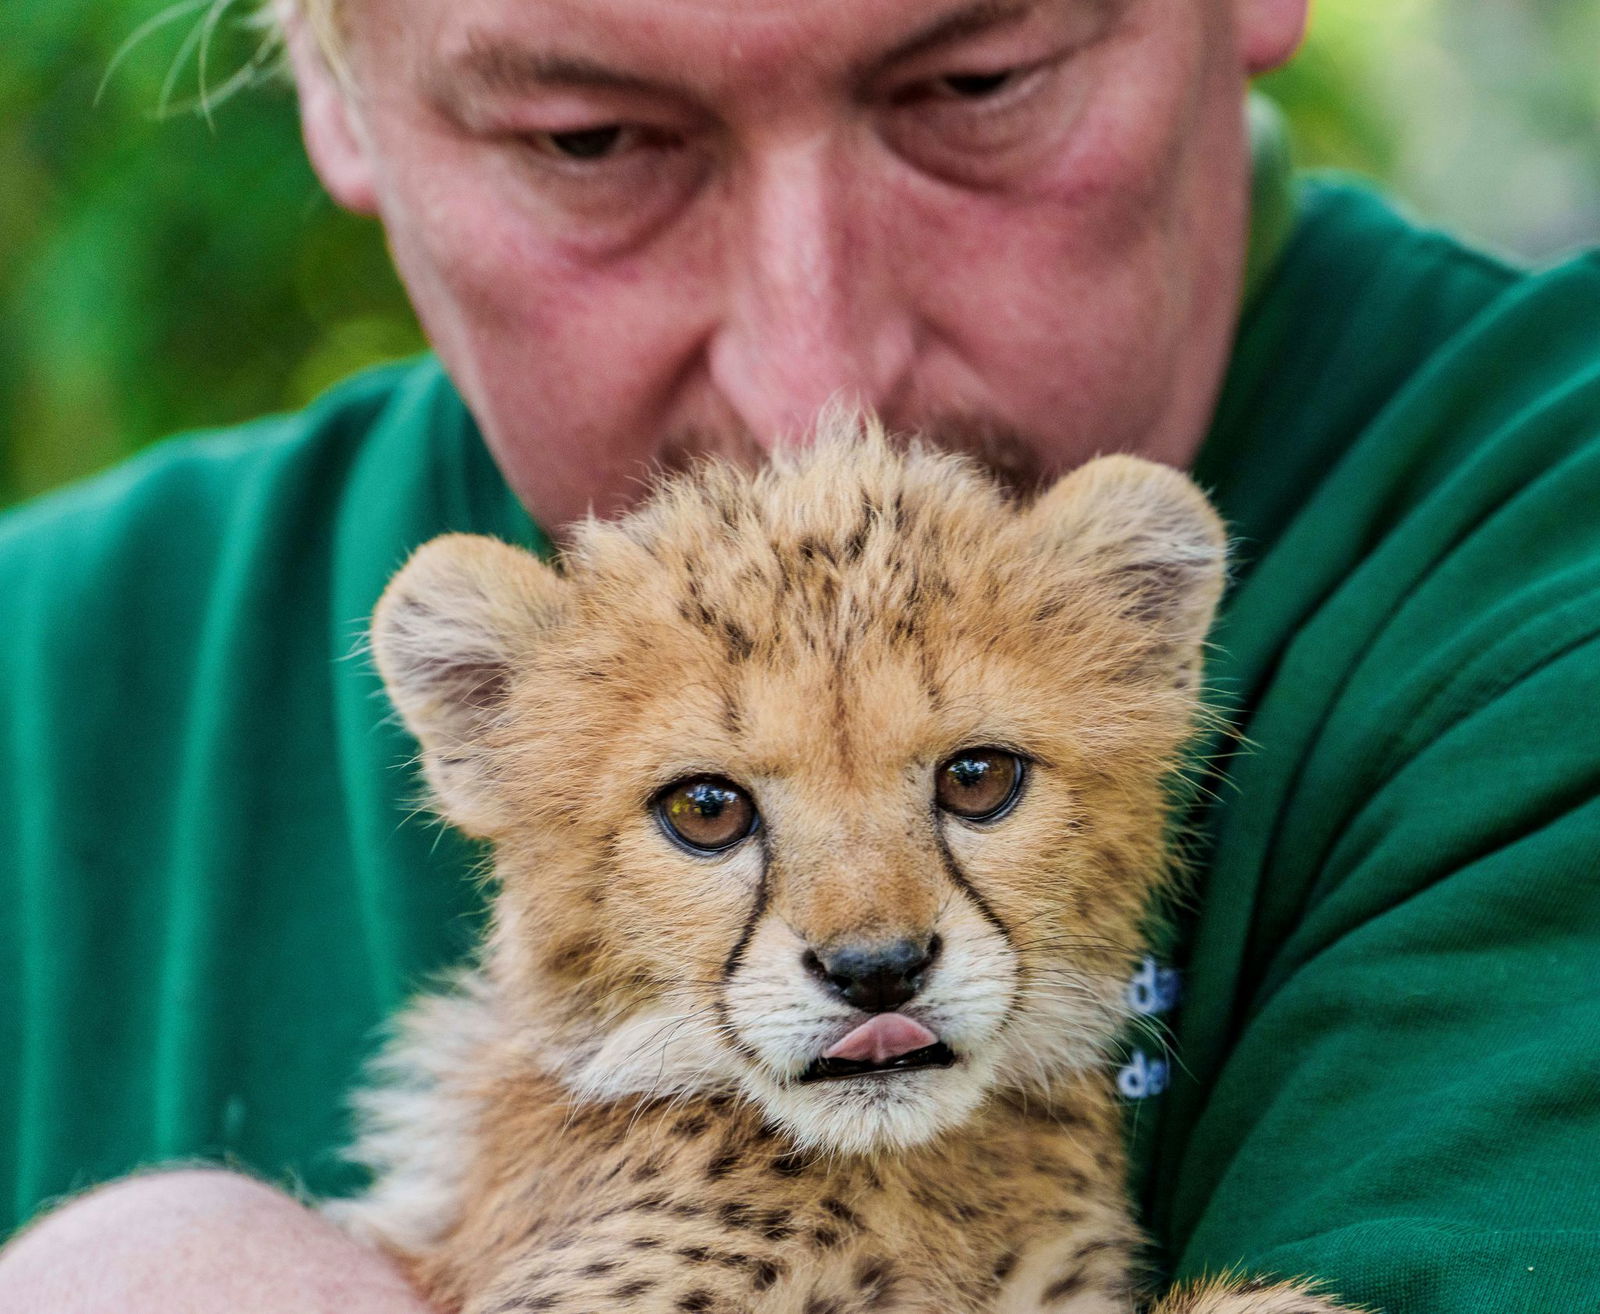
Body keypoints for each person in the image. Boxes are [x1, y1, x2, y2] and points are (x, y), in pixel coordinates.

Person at [3, 0, 1600, 1308]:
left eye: (977, 85)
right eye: (589, 141)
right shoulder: (49, 674)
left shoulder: (1534, 580)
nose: (815, 372)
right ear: (329, 80)